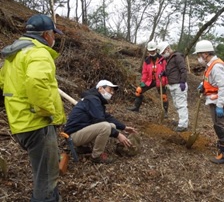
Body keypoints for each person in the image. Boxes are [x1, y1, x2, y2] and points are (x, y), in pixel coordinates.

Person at [0, 14, 66, 201]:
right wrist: (47, 112)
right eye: (54, 34)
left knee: (42, 173)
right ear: (46, 35)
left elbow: (3, 83)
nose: (55, 38)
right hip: (37, 124)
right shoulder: (39, 53)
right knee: (46, 177)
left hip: (21, 123)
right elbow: (36, 82)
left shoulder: (14, 55)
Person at [63, 80, 137, 164]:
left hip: (78, 132)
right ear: (101, 88)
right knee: (105, 126)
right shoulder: (92, 99)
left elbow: (106, 117)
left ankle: (85, 147)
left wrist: (124, 127)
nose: (112, 93)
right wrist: (118, 135)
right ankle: (96, 156)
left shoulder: (95, 99)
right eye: (110, 89)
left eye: (113, 91)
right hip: (72, 136)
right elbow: (100, 121)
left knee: (111, 125)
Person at [193, 40, 224, 164]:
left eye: (199, 55)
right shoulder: (212, 65)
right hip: (213, 98)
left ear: (205, 53)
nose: (198, 58)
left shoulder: (216, 66)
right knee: (221, 124)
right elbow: (211, 80)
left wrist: (220, 106)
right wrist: (202, 85)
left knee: (219, 126)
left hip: (217, 101)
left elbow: (223, 86)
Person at [127, 40, 169, 116]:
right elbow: (144, 72)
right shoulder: (147, 61)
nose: (152, 52)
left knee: (163, 96)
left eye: (153, 51)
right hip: (150, 80)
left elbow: (166, 70)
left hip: (160, 80)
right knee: (139, 90)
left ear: (156, 50)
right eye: (150, 51)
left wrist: (165, 82)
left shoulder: (162, 59)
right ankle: (136, 107)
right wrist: (143, 81)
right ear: (148, 51)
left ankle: (165, 112)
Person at [158, 41, 188, 132]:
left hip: (179, 84)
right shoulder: (169, 59)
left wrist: (182, 82)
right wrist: (163, 73)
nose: (162, 55)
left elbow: (183, 69)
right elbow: (171, 71)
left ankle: (183, 125)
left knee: (181, 104)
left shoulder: (177, 57)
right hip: (172, 84)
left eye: (163, 53)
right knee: (176, 104)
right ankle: (182, 121)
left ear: (167, 49)